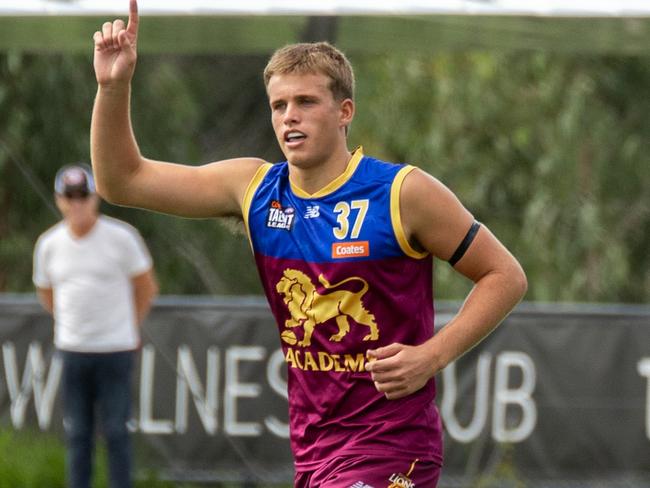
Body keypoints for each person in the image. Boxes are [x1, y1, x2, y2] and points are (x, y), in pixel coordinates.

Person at [90, 1, 527, 486]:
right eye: (279, 105)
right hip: (315, 452)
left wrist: (432, 355)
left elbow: (504, 275)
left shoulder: (403, 193)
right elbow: (122, 181)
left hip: (394, 445)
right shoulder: (254, 189)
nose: (289, 117)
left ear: (345, 111)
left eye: (306, 102)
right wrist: (113, 86)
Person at [32, 163, 158, 488]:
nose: (77, 203)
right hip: (73, 350)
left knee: (117, 431)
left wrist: (128, 326)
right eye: (69, 196)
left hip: (115, 350)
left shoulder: (122, 237)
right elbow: (47, 293)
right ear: (59, 199)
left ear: (95, 197)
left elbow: (145, 286)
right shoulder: (49, 244)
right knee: (77, 434)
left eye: (83, 196)